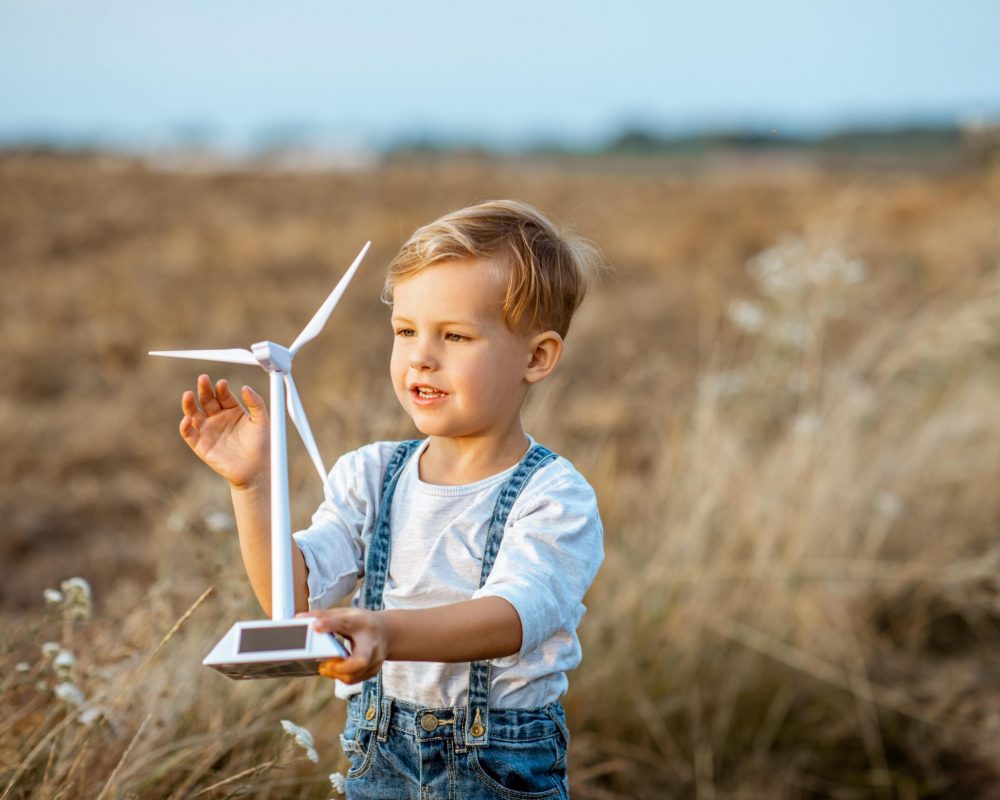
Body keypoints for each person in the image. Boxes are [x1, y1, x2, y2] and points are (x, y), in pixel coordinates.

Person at [177, 199, 605, 799]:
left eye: (455, 335)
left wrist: (386, 631)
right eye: (405, 331)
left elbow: (513, 617)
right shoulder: (370, 475)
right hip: (379, 750)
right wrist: (251, 487)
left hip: (498, 764)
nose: (421, 356)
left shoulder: (553, 495)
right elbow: (292, 598)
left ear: (537, 357)